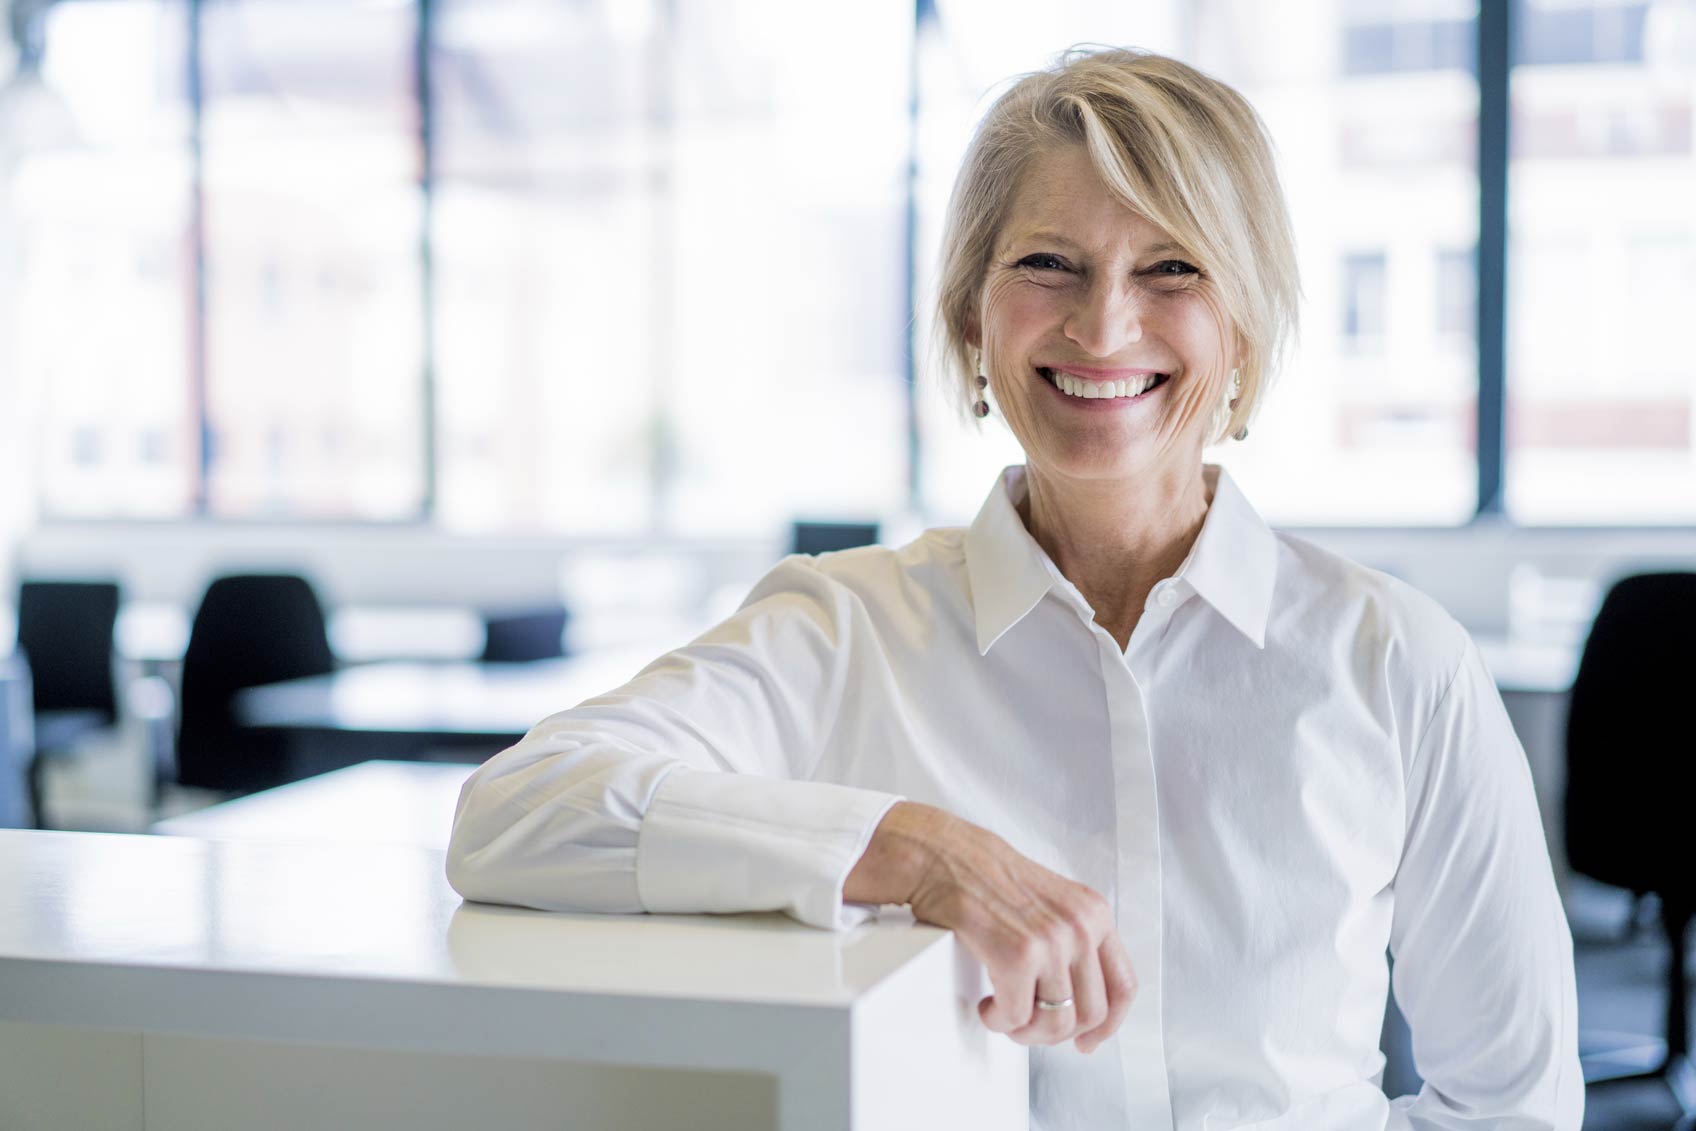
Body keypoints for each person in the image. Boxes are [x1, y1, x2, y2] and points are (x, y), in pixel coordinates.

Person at [447, 46, 1583, 1130]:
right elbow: (519, 811)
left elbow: (1510, 1104)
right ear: (968, 317)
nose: (1103, 324)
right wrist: (917, 850)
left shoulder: (1395, 659)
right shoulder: (844, 628)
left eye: (1171, 268)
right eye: (1048, 265)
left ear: (1242, 329)